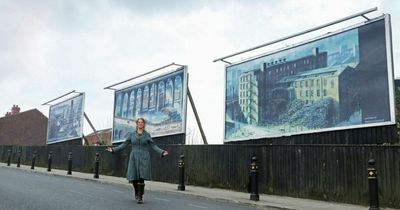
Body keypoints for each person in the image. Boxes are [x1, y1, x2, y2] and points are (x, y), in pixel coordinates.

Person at [105, 117, 169, 204]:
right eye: (139, 122)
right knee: (134, 178)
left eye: (142, 122)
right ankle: (137, 192)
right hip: (134, 157)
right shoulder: (131, 135)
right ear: (137, 124)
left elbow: (153, 146)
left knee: (141, 178)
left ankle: (140, 196)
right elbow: (124, 145)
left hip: (144, 157)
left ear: (144, 124)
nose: (140, 124)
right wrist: (113, 150)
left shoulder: (147, 135)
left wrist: (162, 152)